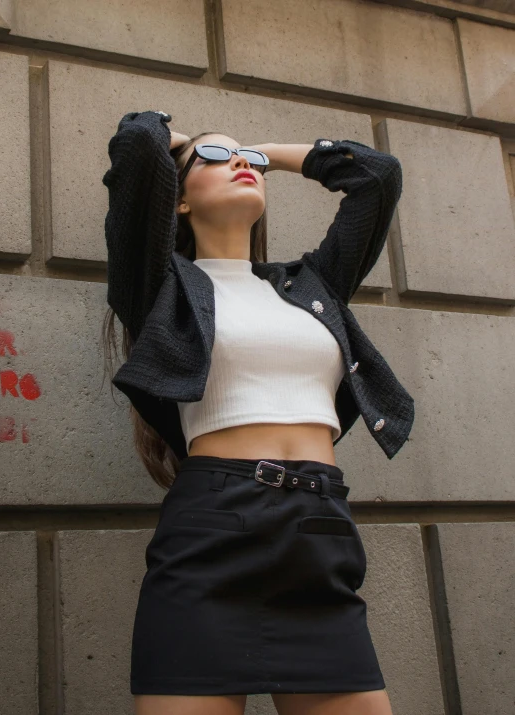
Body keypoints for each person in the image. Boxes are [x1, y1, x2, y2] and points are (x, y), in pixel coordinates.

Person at [102, 109, 414, 715]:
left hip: (318, 529)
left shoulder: (313, 285)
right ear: (179, 202)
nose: (241, 164)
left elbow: (376, 176)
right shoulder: (163, 288)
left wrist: (258, 149)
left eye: (249, 161)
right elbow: (138, 145)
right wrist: (191, 142)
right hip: (212, 532)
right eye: (215, 161)